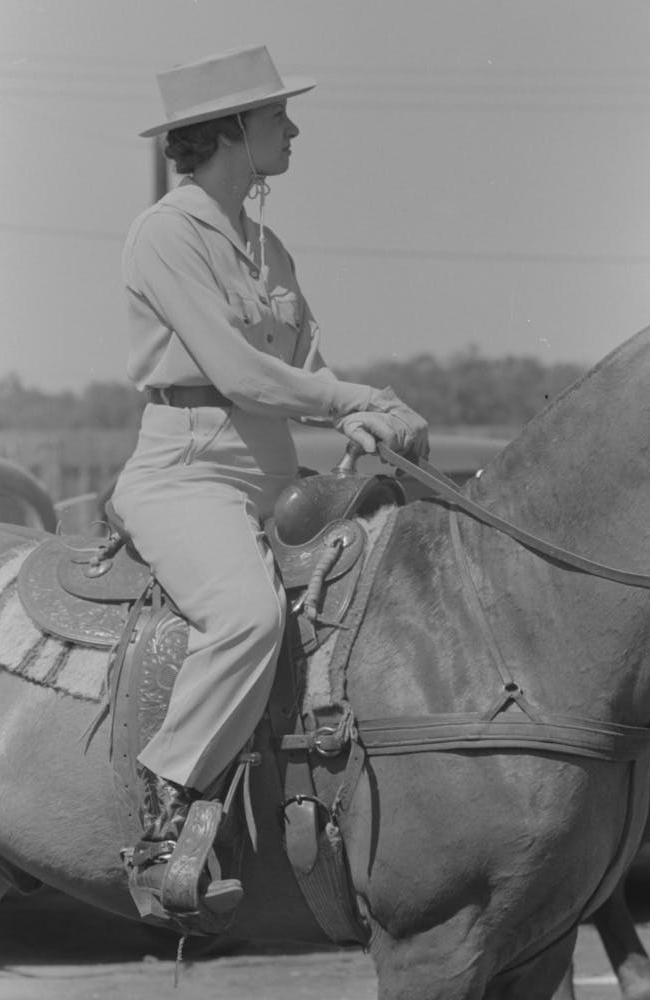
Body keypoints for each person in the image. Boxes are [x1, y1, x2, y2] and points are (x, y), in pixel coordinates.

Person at [111, 44, 429, 918]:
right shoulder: (167, 232)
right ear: (232, 131)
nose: (292, 127)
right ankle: (164, 811)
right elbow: (244, 375)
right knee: (248, 615)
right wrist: (350, 398)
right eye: (276, 116)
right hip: (186, 479)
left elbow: (309, 366)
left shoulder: (265, 244)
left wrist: (367, 418)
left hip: (278, 477)